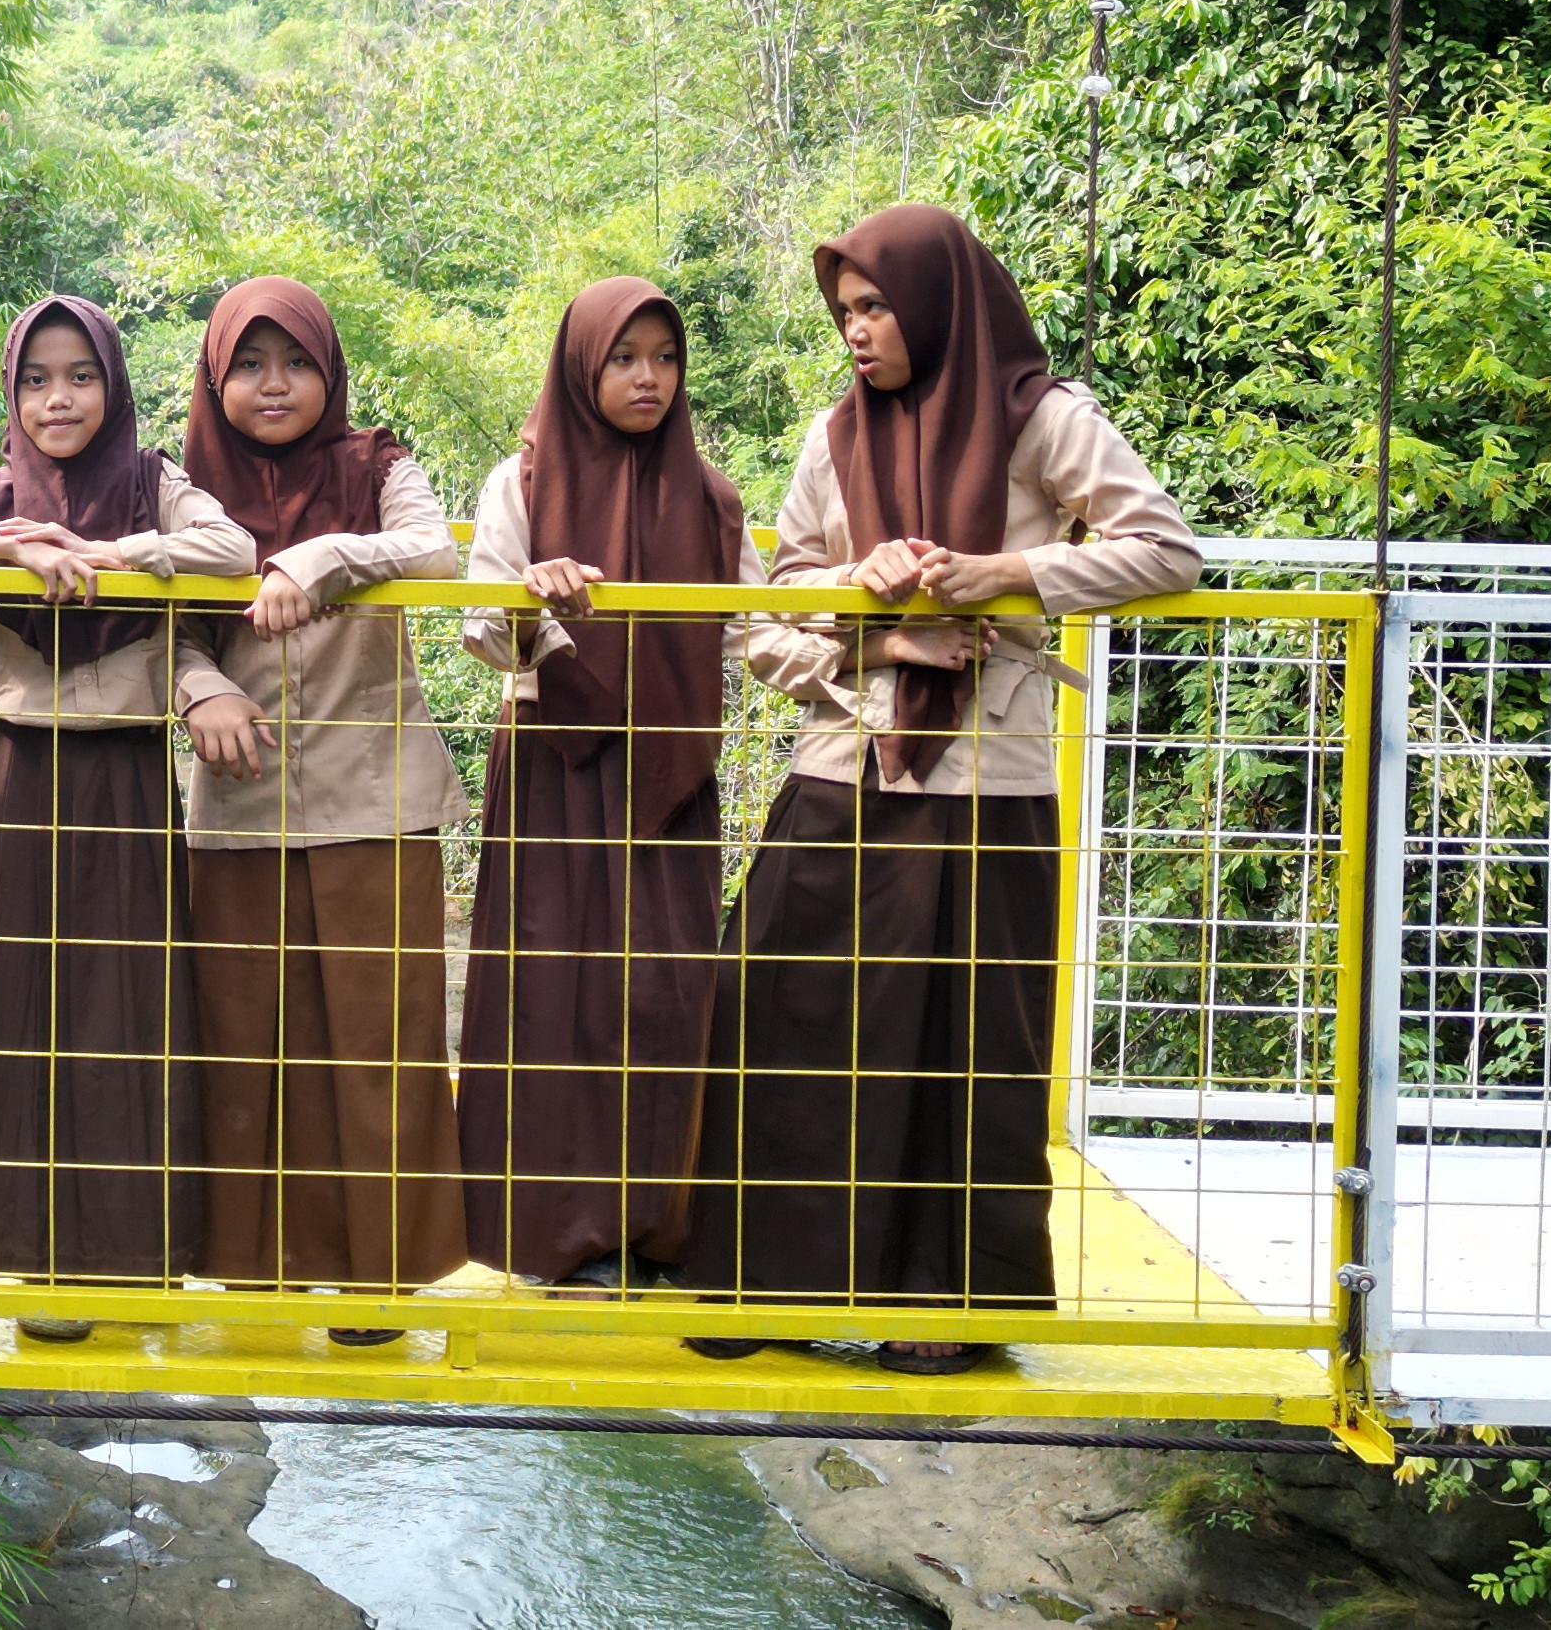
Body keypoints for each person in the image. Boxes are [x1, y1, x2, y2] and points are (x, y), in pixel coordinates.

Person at [681, 205, 1198, 1375]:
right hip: (844, 755)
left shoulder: (1042, 417)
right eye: (844, 312)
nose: (857, 332)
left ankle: (949, 1298)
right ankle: (767, 1281)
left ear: (936, 301)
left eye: (875, 307)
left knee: (969, 1041)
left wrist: (1002, 573)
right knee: (779, 1010)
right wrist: (863, 594)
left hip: (986, 776)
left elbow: (1166, 549)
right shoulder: (835, 437)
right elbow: (788, 586)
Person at [0, 297, 256, 1342]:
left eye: (80, 376)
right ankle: (29, 1249)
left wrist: (108, 551)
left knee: (124, 1003)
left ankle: (126, 1250)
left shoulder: (154, 482)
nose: (58, 399)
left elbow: (232, 549)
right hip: (16, 771)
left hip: (123, 771)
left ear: (112, 386)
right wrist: (8, 552)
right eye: (35, 380)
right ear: (12, 393)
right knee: (16, 999)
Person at [168, 278, 468, 1338]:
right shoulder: (186, 487)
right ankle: (254, 1267)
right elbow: (169, 624)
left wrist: (325, 554)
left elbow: (436, 551)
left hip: (374, 795)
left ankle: (379, 1271)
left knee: (380, 1039)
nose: (274, 384)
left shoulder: (376, 465)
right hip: (241, 798)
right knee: (243, 1037)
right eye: (249, 365)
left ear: (330, 372)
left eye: (296, 362)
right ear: (215, 377)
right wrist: (199, 687)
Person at [456, 276, 757, 1294]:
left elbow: (760, 625)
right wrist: (531, 600)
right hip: (558, 759)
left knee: (667, 992)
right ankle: (557, 1234)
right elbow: (483, 630)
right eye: (624, 358)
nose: (648, 378)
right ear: (582, 365)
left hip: (671, 768)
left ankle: (655, 1227)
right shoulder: (523, 482)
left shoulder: (710, 496)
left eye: (666, 358)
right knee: (557, 989)